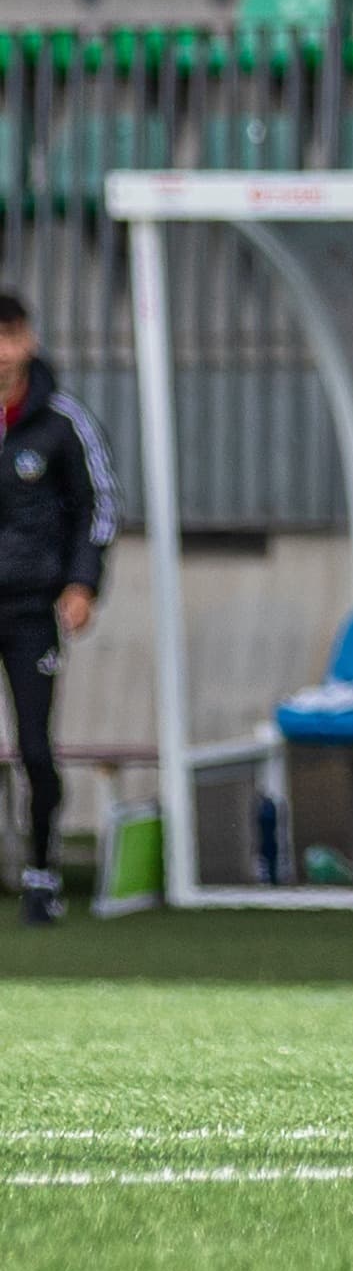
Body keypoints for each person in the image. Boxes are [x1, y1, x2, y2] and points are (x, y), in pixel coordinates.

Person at [0, 290, 115, 929]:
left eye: (9, 335)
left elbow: (98, 503)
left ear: (29, 341)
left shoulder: (60, 419)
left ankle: (42, 873)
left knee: (35, 748)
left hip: (29, 609)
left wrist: (82, 583)